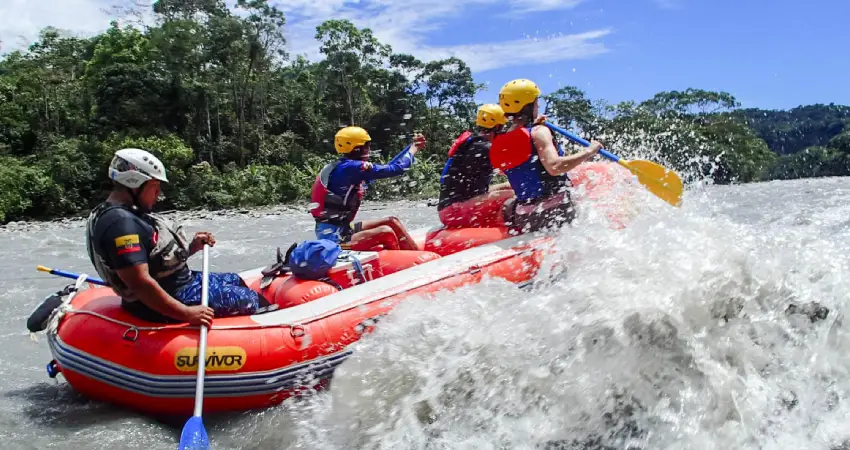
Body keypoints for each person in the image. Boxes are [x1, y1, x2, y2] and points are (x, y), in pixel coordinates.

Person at [85, 148, 265, 327]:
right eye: (155, 188)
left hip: (178, 283)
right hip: (168, 299)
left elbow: (154, 258)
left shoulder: (126, 213)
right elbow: (139, 283)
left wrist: (192, 247)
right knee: (250, 299)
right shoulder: (121, 224)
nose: (158, 195)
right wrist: (186, 313)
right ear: (135, 183)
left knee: (234, 279)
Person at [489, 78, 604, 234]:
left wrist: (534, 125)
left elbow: (525, 169)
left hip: (525, 217)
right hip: (555, 212)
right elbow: (555, 167)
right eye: (536, 103)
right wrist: (589, 151)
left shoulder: (503, 139)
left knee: (511, 205)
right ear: (528, 106)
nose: (538, 106)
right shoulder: (539, 132)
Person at [310, 126, 426, 251]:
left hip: (343, 228)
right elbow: (398, 169)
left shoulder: (346, 167)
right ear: (358, 148)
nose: (369, 148)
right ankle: (406, 262)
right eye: (367, 144)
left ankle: (414, 254)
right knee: (385, 232)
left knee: (392, 222)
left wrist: (411, 146)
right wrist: (414, 148)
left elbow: (391, 167)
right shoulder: (353, 168)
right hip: (334, 238)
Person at [437, 104, 515, 229]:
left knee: (509, 186)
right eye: (504, 128)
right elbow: (514, 169)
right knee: (512, 194)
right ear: (498, 127)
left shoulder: (474, 143)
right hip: (454, 212)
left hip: (453, 206)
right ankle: (505, 228)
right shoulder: (485, 148)